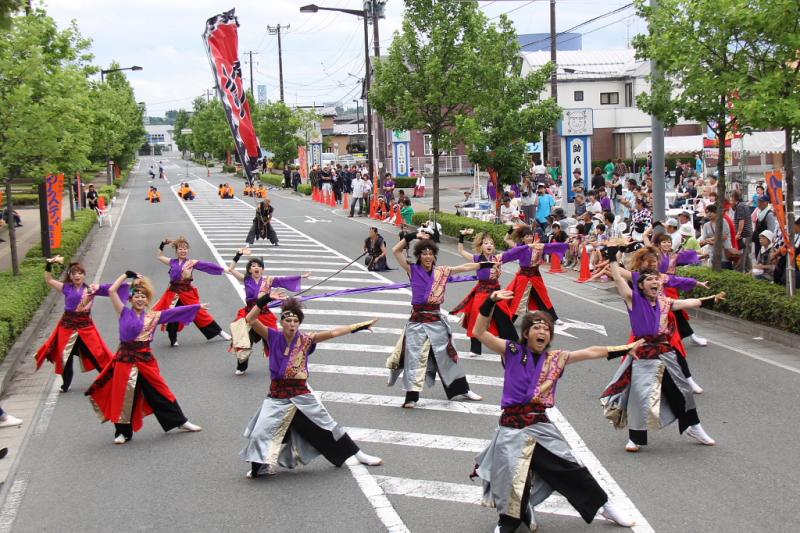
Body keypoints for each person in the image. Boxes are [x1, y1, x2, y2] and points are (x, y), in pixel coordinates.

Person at [472, 294, 638, 532]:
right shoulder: (511, 350)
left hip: (539, 424)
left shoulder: (556, 358)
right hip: (511, 426)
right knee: (511, 477)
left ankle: (605, 504)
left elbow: (591, 351)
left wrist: (624, 348)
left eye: (547, 329)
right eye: (537, 328)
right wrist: (490, 301)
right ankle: (507, 522)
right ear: (526, 333)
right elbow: (479, 332)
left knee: (568, 465)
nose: (542, 332)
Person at [240, 296, 383, 478]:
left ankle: (358, 454)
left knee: (328, 425)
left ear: (299, 323)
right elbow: (251, 319)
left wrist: (358, 327)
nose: (292, 324)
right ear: (282, 322)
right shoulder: (273, 336)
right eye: (288, 320)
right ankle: (260, 467)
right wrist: (265, 299)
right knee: (261, 432)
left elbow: (334, 333)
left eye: (295, 321)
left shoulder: (307, 339)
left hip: (300, 393)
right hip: (277, 395)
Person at [603, 246, 723, 452]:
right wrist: (613, 259)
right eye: (649, 280)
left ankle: (694, 427)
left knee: (683, 391)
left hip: (666, 353)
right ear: (640, 286)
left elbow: (687, 302)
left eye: (656, 280)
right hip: (643, 355)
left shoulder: (665, 302)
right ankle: (635, 438)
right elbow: (619, 281)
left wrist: (710, 299)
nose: (655, 282)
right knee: (640, 395)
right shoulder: (633, 300)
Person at [85, 273, 203, 444]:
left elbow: (174, 312)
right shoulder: (123, 312)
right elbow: (112, 291)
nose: (140, 299)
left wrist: (196, 307)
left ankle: (181, 421)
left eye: (143, 297)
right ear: (131, 299)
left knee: (161, 391)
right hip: (125, 360)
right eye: (136, 296)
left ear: (147, 300)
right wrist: (126, 275)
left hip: (145, 361)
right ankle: (122, 432)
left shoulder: (153, 316)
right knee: (123, 395)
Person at [388, 232, 485, 407]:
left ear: (434, 256)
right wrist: (412, 236)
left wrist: (483, 264)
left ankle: (462, 389)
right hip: (417, 322)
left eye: (430, 253)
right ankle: (411, 397)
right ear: (419, 255)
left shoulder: (441, 271)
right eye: (424, 253)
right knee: (414, 359)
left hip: (436, 321)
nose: (427, 256)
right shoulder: (412, 269)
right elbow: (396, 251)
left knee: (449, 356)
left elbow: (463, 268)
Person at [35, 257, 115, 392]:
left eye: (80, 273)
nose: (77, 275)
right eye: (74, 274)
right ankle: (66, 384)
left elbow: (112, 289)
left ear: (84, 275)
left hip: (85, 327)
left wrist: (130, 282)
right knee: (65, 357)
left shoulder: (91, 289)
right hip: (67, 327)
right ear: (70, 277)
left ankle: (108, 378)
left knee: (95, 354)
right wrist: (48, 265)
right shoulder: (66, 288)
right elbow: (49, 279)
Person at [227, 250, 306, 374]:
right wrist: (238, 254)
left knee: (275, 341)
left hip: (265, 315)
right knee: (244, 340)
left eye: (259, 266)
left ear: (262, 270)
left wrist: (300, 277)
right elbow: (230, 269)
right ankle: (241, 366)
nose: (256, 268)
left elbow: (283, 280)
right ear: (249, 270)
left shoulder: (268, 280)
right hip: (249, 314)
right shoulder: (246, 279)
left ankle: (284, 363)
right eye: (253, 266)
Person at [153, 237, 231, 347]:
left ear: (188, 250)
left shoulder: (191, 262)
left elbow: (207, 265)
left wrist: (223, 270)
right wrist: (162, 244)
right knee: (172, 314)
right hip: (173, 293)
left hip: (187, 292)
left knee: (199, 312)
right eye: (180, 249)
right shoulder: (172, 262)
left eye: (185, 248)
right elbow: (159, 256)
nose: (183, 251)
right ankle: (173, 338)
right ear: (176, 251)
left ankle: (219, 332)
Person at [452, 229, 518, 356]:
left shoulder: (497, 258)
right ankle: (475, 349)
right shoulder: (477, 258)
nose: (489, 245)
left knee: (503, 317)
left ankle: (513, 344)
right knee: (476, 318)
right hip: (481, 292)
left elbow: (513, 252)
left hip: (496, 292)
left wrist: (511, 232)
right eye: (486, 243)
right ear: (481, 246)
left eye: (491, 243)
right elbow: (461, 251)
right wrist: (461, 236)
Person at [503, 225, 568, 324]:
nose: (529, 238)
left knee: (543, 297)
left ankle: (554, 318)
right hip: (523, 277)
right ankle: (509, 321)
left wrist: (567, 244)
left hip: (536, 276)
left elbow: (552, 246)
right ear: (522, 239)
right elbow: (506, 239)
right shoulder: (519, 248)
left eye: (530, 236)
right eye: (526, 236)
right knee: (519, 299)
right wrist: (511, 229)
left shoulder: (538, 246)